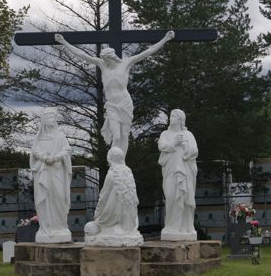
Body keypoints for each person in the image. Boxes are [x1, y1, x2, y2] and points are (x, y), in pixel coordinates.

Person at [54, 31, 175, 155]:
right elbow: (82, 54)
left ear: (113, 57)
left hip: (125, 104)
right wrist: (64, 42)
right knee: (116, 137)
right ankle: (114, 162)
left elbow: (148, 51)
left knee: (124, 135)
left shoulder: (126, 63)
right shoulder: (102, 65)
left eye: (107, 60)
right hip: (112, 106)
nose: (106, 63)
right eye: (104, 60)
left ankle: (121, 162)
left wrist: (165, 39)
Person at [84, 147, 143, 247]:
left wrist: (98, 212)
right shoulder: (128, 171)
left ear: (110, 159)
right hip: (130, 217)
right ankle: (122, 227)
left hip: (115, 214)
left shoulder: (112, 174)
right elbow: (135, 198)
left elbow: (104, 196)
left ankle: (111, 226)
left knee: (100, 221)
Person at [30, 108, 72, 243]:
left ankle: (60, 226)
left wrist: (55, 157)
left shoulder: (60, 136)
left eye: (54, 117)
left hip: (57, 171)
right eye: (51, 117)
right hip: (44, 171)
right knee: (45, 199)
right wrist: (44, 158)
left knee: (59, 198)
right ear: (44, 121)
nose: (53, 120)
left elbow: (66, 150)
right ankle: (47, 227)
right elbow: (35, 150)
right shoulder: (39, 137)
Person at [158, 109, 198, 240]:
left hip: (185, 170)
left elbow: (194, 151)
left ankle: (186, 227)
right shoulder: (165, 133)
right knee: (171, 196)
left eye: (174, 116)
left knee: (185, 197)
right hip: (170, 169)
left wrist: (185, 146)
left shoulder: (188, 134)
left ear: (181, 120)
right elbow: (161, 146)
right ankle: (171, 226)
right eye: (171, 116)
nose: (171, 118)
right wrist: (174, 142)